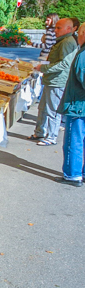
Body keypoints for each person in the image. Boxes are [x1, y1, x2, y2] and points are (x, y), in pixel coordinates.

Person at [31, 18, 78, 145]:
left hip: (57, 81)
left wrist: (44, 67)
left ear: (69, 29)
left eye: (58, 28)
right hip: (51, 79)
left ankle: (51, 137)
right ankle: (39, 133)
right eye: (55, 27)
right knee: (43, 107)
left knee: (52, 110)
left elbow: (64, 64)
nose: (55, 30)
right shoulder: (63, 41)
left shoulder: (67, 42)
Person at [56, 23, 85, 186]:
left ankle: (72, 174)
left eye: (80, 34)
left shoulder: (83, 54)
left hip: (78, 105)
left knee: (74, 140)